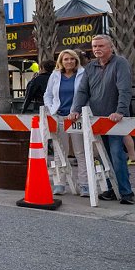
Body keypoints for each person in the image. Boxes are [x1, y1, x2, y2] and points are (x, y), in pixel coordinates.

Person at [68, 34, 134, 204]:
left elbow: (125, 89)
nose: (97, 49)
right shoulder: (90, 67)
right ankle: (110, 189)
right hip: (96, 121)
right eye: (94, 46)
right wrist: (75, 109)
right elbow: (82, 91)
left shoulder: (120, 63)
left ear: (110, 47)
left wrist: (120, 111)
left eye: (101, 46)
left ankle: (126, 193)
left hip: (115, 120)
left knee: (117, 155)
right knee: (102, 156)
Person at [43, 49, 87, 196]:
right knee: (59, 152)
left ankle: (84, 184)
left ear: (76, 60)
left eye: (72, 59)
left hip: (77, 118)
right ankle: (59, 183)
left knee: (80, 152)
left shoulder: (82, 74)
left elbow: (87, 93)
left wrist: (81, 111)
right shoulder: (55, 76)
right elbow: (48, 94)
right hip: (60, 117)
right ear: (61, 62)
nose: (69, 62)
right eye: (66, 59)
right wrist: (51, 109)